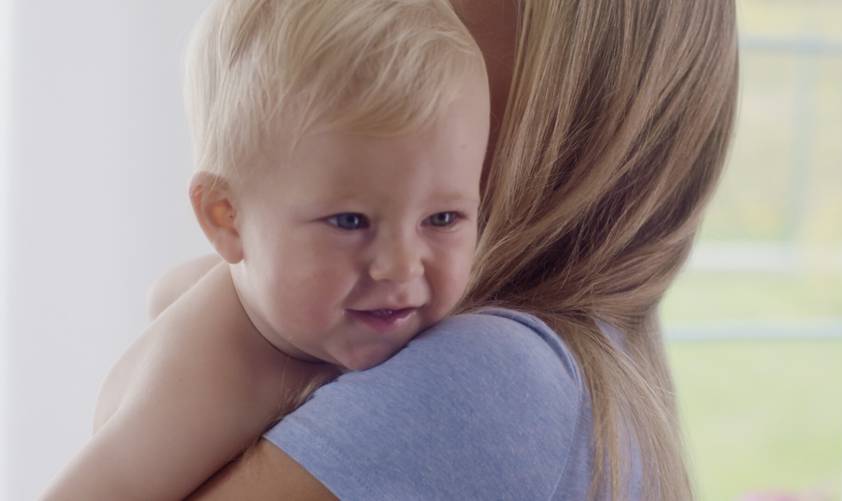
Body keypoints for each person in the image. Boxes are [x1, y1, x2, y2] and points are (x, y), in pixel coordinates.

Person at [102, 0, 738, 499]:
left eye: (442, 218)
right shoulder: (589, 357)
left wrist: (213, 337)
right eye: (349, 219)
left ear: (565, 88)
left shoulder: (491, 376)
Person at [39, 1, 490, 499]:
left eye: (442, 219)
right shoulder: (208, 391)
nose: (401, 267)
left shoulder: (304, 313)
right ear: (226, 219)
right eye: (349, 221)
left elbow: (169, 287)